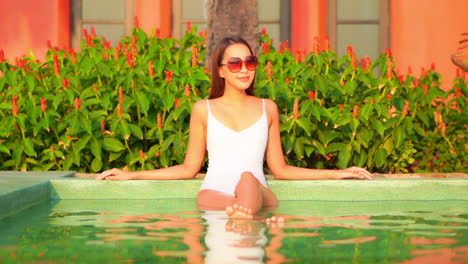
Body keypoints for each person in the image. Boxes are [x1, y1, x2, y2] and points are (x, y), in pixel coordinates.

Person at [98, 36, 372, 220]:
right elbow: (188, 169)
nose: (244, 69)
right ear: (220, 70)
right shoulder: (202, 109)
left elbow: (281, 170)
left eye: (250, 62)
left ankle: (243, 216)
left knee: (247, 180)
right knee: (222, 201)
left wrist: (338, 173)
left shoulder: (268, 107)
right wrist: (131, 174)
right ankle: (242, 216)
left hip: (257, 192)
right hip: (215, 197)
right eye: (235, 63)